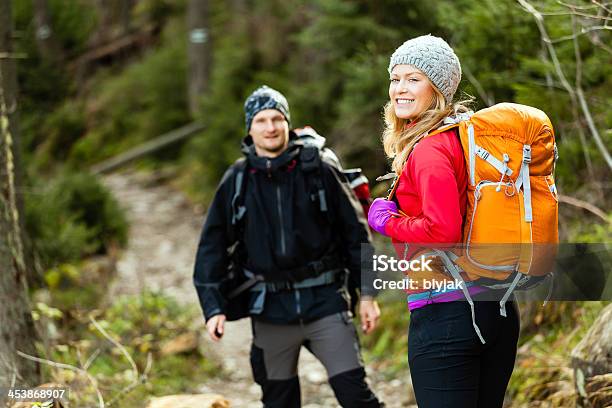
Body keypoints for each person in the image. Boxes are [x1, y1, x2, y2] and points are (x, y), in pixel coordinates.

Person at [194, 85, 383, 408]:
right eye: (262, 120)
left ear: (287, 123)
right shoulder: (238, 179)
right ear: (250, 128)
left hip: (325, 303)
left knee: (356, 397)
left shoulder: (319, 169)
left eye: (277, 118)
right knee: (278, 402)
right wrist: (213, 307)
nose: (270, 127)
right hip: (270, 311)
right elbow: (212, 245)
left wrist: (367, 295)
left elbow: (357, 233)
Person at [367, 35, 520, 408]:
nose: (400, 89)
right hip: (496, 308)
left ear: (438, 88)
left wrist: (389, 223)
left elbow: (443, 230)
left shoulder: (431, 149)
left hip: (448, 314)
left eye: (413, 79)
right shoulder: (465, 139)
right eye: (395, 78)